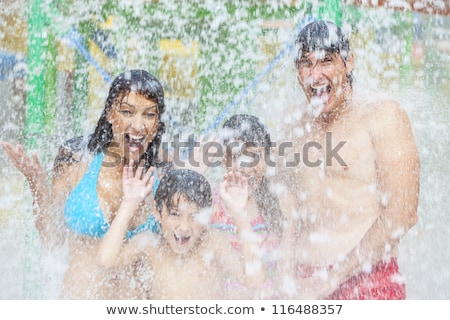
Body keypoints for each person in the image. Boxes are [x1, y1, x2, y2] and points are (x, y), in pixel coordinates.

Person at [276, 20, 420, 299]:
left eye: (326, 62)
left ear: (348, 62)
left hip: (368, 278)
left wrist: (334, 276)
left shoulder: (382, 115)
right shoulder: (292, 125)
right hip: (304, 281)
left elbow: (403, 212)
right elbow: (288, 210)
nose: (315, 76)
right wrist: (284, 275)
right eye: (306, 64)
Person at [0, 69, 166, 299]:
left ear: (157, 124)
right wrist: (36, 184)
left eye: (149, 115)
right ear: (110, 113)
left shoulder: (162, 177)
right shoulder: (76, 160)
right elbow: (51, 239)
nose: (139, 125)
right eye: (127, 111)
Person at [97, 167, 266, 299]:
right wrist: (129, 203)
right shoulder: (149, 244)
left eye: (194, 217)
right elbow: (105, 261)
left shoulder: (211, 242)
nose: (184, 228)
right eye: (175, 214)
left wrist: (238, 213)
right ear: (157, 212)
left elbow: (256, 280)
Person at [210, 114, 285, 298]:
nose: (245, 166)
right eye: (236, 156)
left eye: (254, 156)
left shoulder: (279, 204)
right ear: (222, 159)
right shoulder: (208, 204)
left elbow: (286, 277)